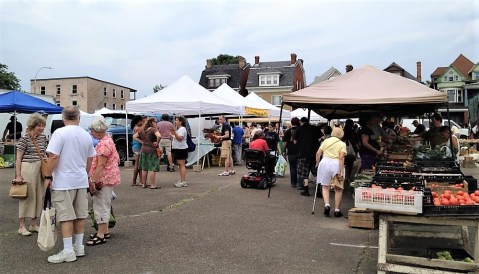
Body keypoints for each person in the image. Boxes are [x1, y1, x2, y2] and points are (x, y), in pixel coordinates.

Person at [44, 106, 96, 263]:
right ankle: (78, 246)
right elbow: (90, 159)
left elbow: (53, 157)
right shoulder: (86, 134)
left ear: (63, 117)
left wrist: (47, 175)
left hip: (63, 181)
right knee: (80, 214)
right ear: (79, 117)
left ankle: (67, 251)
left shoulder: (59, 133)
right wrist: (85, 174)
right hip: (80, 179)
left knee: (65, 216)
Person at [86, 118, 121, 246]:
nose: (91, 132)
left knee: (100, 205)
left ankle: (101, 234)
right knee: (104, 204)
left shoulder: (103, 144)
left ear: (98, 132)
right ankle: (104, 231)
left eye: (92, 130)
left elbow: (101, 165)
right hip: (109, 177)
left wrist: (93, 181)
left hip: (103, 178)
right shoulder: (107, 140)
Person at [14, 113, 47, 236]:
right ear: (33, 125)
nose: (42, 128)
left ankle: (33, 224)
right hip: (28, 168)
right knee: (26, 196)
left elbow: (44, 154)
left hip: (40, 168)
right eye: (39, 125)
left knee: (39, 197)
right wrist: (18, 175)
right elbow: (18, 159)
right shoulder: (24, 139)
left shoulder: (43, 138)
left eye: (43, 125)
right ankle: (21, 226)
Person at [316, 127, 347, 217]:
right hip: (336, 164)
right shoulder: (342, 144)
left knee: (325, 186)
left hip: (325, 163)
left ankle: (327, 205)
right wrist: (341, 171)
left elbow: (318, 153)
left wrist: (318, 163)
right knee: (338, 188)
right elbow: (341, 158)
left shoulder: (326, 141)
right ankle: (337, 210)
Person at [294, 117, 323, 196]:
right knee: (316, 173)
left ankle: (306, 190)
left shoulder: (299, 129)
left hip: (303, 154)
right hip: (314, 154)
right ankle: (318, 191)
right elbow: (322, 138)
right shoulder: (315, 128)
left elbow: (295, 141)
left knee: (304, 173)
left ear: (301, 122)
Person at [133, 117, 161, 189]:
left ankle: (143, 184)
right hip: (152, 150)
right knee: (152, 168)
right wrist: (157, 142)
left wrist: (142, 142)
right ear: (152, 122)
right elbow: (159, 136)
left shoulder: (143, 130)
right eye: (155, 122)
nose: (156, 123)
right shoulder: (153, 129)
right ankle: (152, 185)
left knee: (144, 168)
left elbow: (134, 136)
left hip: (143, 150)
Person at [170, 116, 188, 187]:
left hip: (181, 149)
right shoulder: (180, 129)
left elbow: (180, 138)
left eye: (177, 120)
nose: (175, 121)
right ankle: (182, 180)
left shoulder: (182, 129)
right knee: (180, 165)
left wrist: (174, 133)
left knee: (182, 165)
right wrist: (173, 134)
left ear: (180, 121)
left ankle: (183, 181)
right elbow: (178, 137)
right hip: (179, 148)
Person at [283, 117, 300, 188]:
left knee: (292, 167)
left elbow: (285, 143)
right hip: (299, 151)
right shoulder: (300, 130)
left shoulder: (287, 131)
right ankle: (300, 183)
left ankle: (293, 182)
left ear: (291, 122)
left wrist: (283, 151)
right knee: (299, 167)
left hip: (290, 151)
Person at [130, 115, 146, 186]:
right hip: (138, 147)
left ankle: (140, 180)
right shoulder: (138, 128)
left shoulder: (135, 127)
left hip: (136, 146)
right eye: (142, 121)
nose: (143, 122)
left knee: (139, 164)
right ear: (138, 121)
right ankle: (134, 181)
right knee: (137, 164)